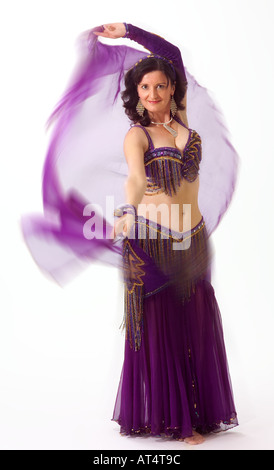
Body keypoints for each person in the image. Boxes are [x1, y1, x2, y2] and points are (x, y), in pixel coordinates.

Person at [20, 22, 239, 445]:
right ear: (136, 94)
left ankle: (199, 413)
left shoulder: (184, 122)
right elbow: (136, 182)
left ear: (172, 89)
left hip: (192, 239)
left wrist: (129, 31)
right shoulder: (136, 135)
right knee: (160, 327)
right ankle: (178, 423)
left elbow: (171, 53)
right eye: (145, 89)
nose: (154, 95)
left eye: (160, 86)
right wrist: (124, 211)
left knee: (195, 320)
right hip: (149, 242)